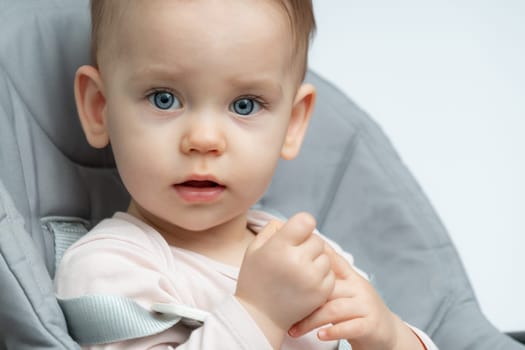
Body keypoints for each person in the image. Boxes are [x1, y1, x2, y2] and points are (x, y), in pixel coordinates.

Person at [54, 1, 438, 349]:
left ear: (292, 123)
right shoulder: (108, 268)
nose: (204, 140)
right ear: (98, 108)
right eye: (164, 98)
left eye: (244, 104)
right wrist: (258, 313)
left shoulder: (306, 253)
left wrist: (388, 335)